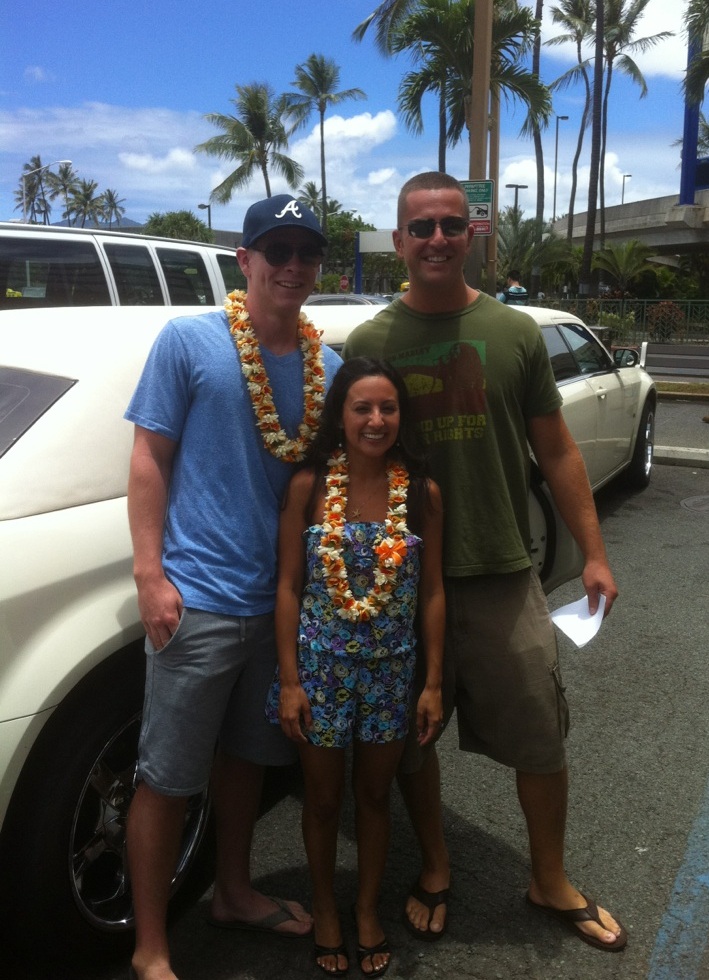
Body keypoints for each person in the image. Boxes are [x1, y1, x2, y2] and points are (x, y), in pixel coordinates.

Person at [342, 172, 627, 953]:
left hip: (502, 572)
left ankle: (548, 876)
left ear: (472, 236)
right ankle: (434, 865)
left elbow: (557, 449)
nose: (435, 239)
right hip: (400, 583)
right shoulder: (368, 344)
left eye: (448, 225)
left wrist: (593, 554)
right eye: (419, 227)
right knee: (409, 742)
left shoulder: (513, 334)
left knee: (539, 734)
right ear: (398, 241)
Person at [124, 194, 343, 980]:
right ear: (244, 260)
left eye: (306, 253)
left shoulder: (331, 366)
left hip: (282, 605)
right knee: (166, 776)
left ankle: (235, 892)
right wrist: (151, 574)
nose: (291, 265)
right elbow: (149, 456)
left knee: (248, 761)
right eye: (275, 249)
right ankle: (151, 947)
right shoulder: (189, 339)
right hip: (200, 599)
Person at [268, 357, 445, 976]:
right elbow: (288, 586)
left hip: (391, 672)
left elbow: (432, 592)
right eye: (362, 408)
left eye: (388, 408)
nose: (375, 420)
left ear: (401, 415)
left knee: (373, 795)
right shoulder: (309, 486)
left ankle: (366, 909)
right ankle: (325, 908)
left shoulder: (420, 492)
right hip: (320, 671)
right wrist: (290, 681)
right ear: (339, 416)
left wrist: (433, 682)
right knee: (321, 799)